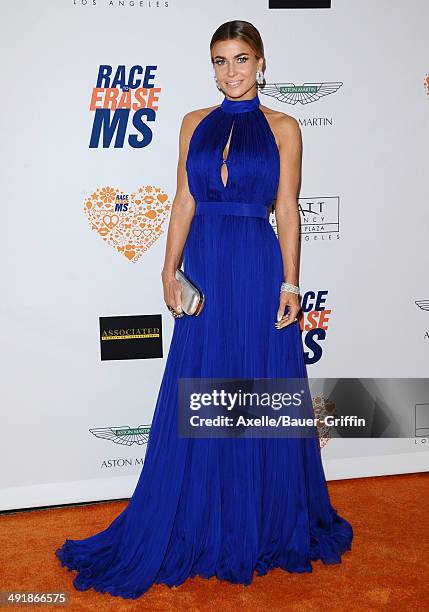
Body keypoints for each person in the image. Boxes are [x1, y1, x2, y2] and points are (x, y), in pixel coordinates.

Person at [55, 20, 353, 600]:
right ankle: (200, 520)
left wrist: (292, 285)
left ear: (262, 63)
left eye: (241, 60)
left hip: (257, 265)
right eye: (220, 61)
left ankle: (262, 522)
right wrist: (169, 270)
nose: (231, 72)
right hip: (206, 268)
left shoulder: (286, 128)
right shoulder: (192, 123)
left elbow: (287, 209)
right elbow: (184, 199)